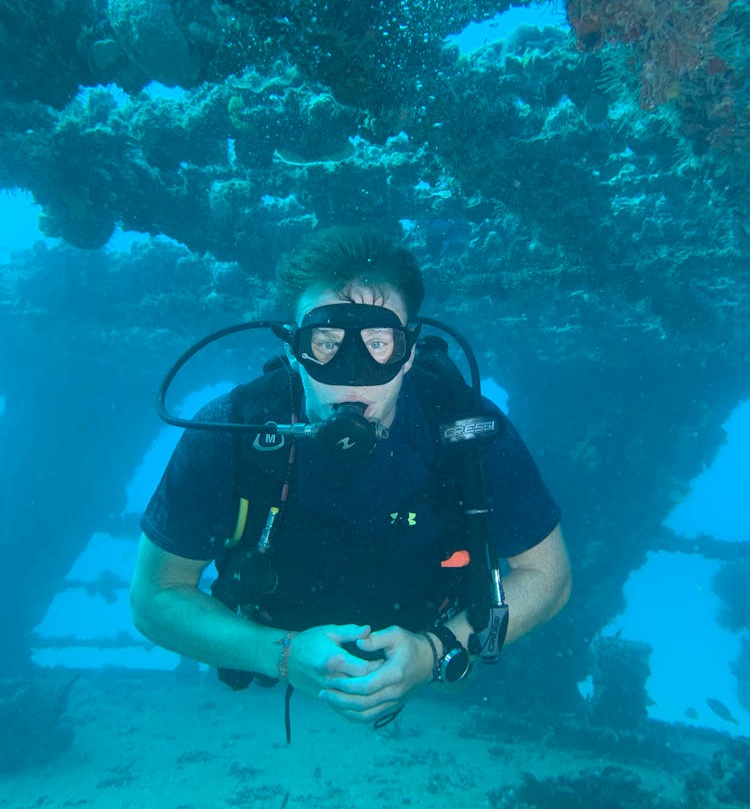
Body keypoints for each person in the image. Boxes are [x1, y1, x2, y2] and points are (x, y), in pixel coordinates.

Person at [131, 226, 571, 727]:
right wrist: (279, 655)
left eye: (378, 344)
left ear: (408, 353)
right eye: (326, 343)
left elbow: (549, 578)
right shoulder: (234, 431)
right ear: (296, 348)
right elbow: (154, 597)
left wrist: (436, 652)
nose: (351, 375)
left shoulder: (464, 428)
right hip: (278, 641)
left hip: (430, 630)